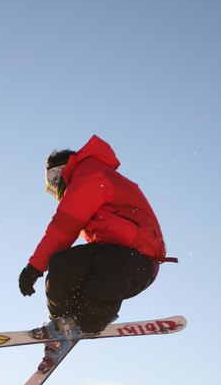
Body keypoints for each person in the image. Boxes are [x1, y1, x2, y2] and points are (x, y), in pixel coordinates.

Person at [18, 135, 172, 337]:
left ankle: (89, 320)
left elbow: (64, 226)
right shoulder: (87, 180)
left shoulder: (91, 174)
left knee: (111, 261)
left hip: (138, 264)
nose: (56, 191)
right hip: (112, 258)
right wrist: (40, 267)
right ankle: (62, 325)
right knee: (62, 264)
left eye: (54, 182)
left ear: (63, 172)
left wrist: (34, 267)